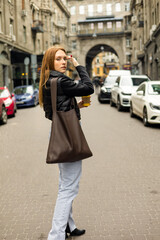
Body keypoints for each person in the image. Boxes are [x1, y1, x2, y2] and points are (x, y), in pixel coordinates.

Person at [39, 46, 94, 240]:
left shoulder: (48, 82)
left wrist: (74, 106)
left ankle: (69, 225)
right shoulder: (62, 81)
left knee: (65, 183)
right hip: (68, 137)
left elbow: (50, 113)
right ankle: (56, 236)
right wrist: (78, 65)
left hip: (58, 135)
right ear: (50, 62)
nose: (63, 62)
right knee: (69, 188)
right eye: (59, 59)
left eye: (65, 58)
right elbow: (89, 87)